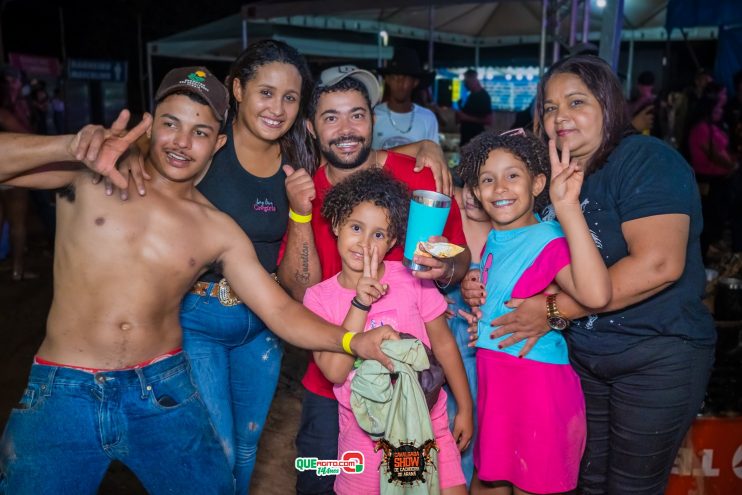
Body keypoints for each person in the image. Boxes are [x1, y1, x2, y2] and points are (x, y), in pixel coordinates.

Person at [0, 67, 397, 495]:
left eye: (200, 132)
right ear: (149, 125)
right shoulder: (92, 175)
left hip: (162, 392)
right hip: (63, 390)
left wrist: (351, 341)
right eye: (170, 124)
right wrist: (71, 145)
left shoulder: (216, 228)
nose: (181, 143)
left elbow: (279, 309)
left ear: (217, 144)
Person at [462, 54, 716, 494]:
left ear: (608, 105)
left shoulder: (645, 160)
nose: (560, 117)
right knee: (587, 483)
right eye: (550, 107)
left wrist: (554, 309)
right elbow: (520, 245)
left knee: (631, 488)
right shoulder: (546, 174)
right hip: (581, 358)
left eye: (576, 102)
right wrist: (477, 279)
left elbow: (659, 265)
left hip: (656, 352)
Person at [278, 65, 470, 495]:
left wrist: (445, 269)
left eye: (357, 115)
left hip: (414, 395)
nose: (345, 129)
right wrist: (301, 215)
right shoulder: (305, 192)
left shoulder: (418, 176)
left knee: (414, 484)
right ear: (311, 127)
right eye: (331, 117)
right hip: (333, 386)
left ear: (373, 120)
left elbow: (457, 253)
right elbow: (297, 289)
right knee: (320, 483)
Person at [457, 129, 611, 494]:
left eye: (513, 175)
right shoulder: (495, 238)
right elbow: (507, 296)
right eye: (487, 180)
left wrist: (568, 207)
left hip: (537, 391)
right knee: (488, 482)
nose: (500, 188)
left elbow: (596, 293)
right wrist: (481, 310)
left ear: (537, 182)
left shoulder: (548, 237)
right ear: (476, 192)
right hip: (498, 389)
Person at [305, 168, 471, 494]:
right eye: (356, 228)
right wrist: (360, 303)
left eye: (378, 235)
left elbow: (444, 344)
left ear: (393, 240)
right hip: (366, 438)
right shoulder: (319, 298)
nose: (365, 244)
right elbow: (336, 372)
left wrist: (465, 407)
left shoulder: (409, 279)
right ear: (337, 225)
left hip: (429, 426)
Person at [441, 178, 490, 487]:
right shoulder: (446, 224)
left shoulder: (505, 234)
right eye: (466, 186)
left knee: (473, 432)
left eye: (481, 185)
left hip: (478, 353)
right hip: (440, 346)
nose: (471, 196)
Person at [687, 82, 739, 261]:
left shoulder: (716, 125)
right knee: (708, 220)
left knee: (715, 219)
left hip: (719, 180)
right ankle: (703, 255)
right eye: (720, 102)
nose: (723, 105)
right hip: (708, 181)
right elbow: (715, 154)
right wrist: (733, 166)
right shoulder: (702, 128)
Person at [0, 66, 34, 281]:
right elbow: (29, 138)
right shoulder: (5, 113)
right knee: (18, 224)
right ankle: (17, 270)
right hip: (14, 174)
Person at [373, 47, 439, 150]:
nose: (400, 82)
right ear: (388, 80)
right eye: (395, 77)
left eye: (406, 78)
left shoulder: (427, 118)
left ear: (415, 82)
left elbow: (433, 157)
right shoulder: (373, 116)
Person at [456, 69, 491, 147]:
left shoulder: (483, 96)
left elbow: (488, 120)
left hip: (475, 142)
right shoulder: (470, 96)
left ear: (474, 80)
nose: (465, 84)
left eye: (467, 81)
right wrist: (460, 107)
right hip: (466, 140)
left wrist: (466, 117)